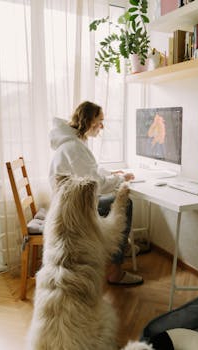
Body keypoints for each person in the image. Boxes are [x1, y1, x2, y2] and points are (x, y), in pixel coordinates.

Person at [49, 101, 143, 285]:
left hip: (68, 202)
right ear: (90, 120)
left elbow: (91, 171)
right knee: (127, 203)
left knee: (116, 198)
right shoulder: (74, 148)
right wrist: (121, 180)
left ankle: (121, 247)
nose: (102, 126)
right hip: (71, 209)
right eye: (100, 121)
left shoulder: (73, 143)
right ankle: (116, 269)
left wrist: (113, 175)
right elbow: (96, 185)